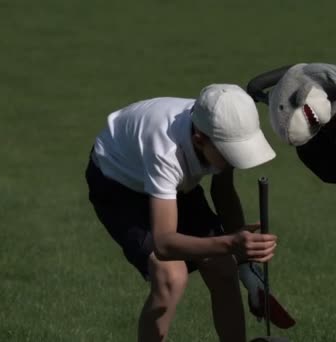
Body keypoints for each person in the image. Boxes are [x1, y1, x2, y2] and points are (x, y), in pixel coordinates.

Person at [85, 83, 278, 342]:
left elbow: (223, 192)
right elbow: (164, 243)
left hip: (170, 184)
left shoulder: (220, 127)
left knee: (223, 268)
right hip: (119, 184)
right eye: (231, 153)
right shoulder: (166, 151)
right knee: (170, 278)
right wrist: (232, 242)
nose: (235, 159)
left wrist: (245, 267)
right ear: (199, 139)